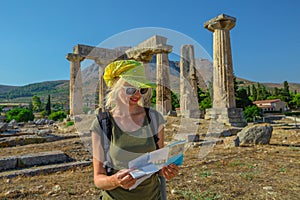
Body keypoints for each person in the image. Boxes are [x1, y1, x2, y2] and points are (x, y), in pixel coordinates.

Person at [90, 60, 179, 200]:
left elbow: (158, 166)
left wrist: (166, 170)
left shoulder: (154, 119)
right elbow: (98, 179)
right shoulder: (102, 124)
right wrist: (115, 181)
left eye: (142, 90)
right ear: (116, 88)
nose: (137, 95)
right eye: (131, 89)